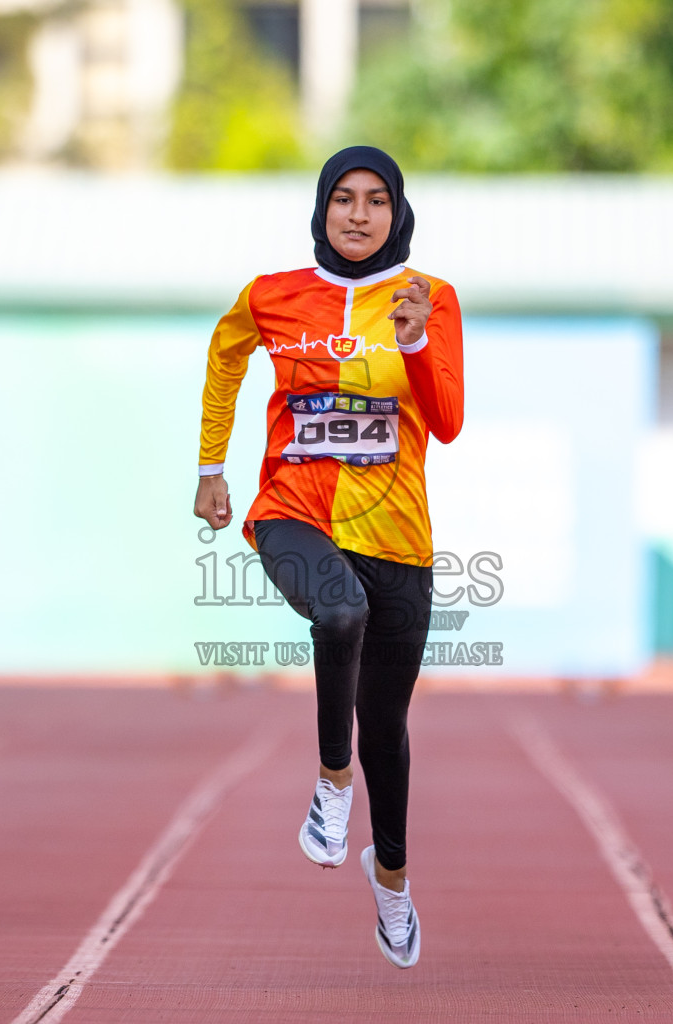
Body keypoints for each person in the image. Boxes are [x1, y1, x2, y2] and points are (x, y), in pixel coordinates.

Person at [193, 146, 462, 967]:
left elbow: (446, 422)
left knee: (387, 725)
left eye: (375, 201)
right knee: (336, 610)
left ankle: (391, 884)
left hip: (398, 538)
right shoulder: (271, 295)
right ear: (321, 207)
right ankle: (330, 781)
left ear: (397, 213)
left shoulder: (429, 298)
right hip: (292, 514)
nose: (357, 214)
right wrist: (211, 467)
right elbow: (224, 357)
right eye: (343, 198)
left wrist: (413, 343)